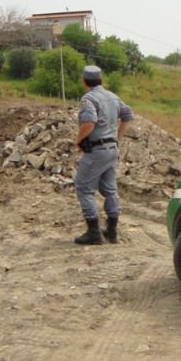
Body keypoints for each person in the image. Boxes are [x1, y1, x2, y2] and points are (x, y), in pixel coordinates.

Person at [73, 65, 134, 245]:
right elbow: (128, 115)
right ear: (100, 80)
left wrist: (78, 140)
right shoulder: (112, 96)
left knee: (84, 188)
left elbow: (89, 123)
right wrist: (117, 137)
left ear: (84, 81)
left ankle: (94, 233)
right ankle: (112, 232)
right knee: (110, 189)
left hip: (96, 151)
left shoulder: (89, 99)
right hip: (112, 150)